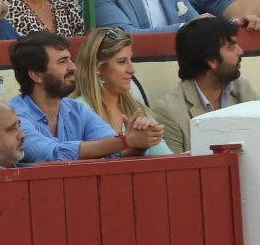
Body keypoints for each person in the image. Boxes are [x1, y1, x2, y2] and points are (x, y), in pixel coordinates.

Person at [10, 30, 164, 162]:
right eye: (63, 61)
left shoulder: (76, 109)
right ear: (37, 74)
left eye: (70, 59)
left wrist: (138, 145)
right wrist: (125, 140)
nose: (73, 67)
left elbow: (115, 153)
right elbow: (51, 154)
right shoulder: (13, 115)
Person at [141, 15, 253, 151]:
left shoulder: (242, 88)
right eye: (231, 47)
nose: (240, 51)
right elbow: (175, 169)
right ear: (211, 61)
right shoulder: (169, 112)